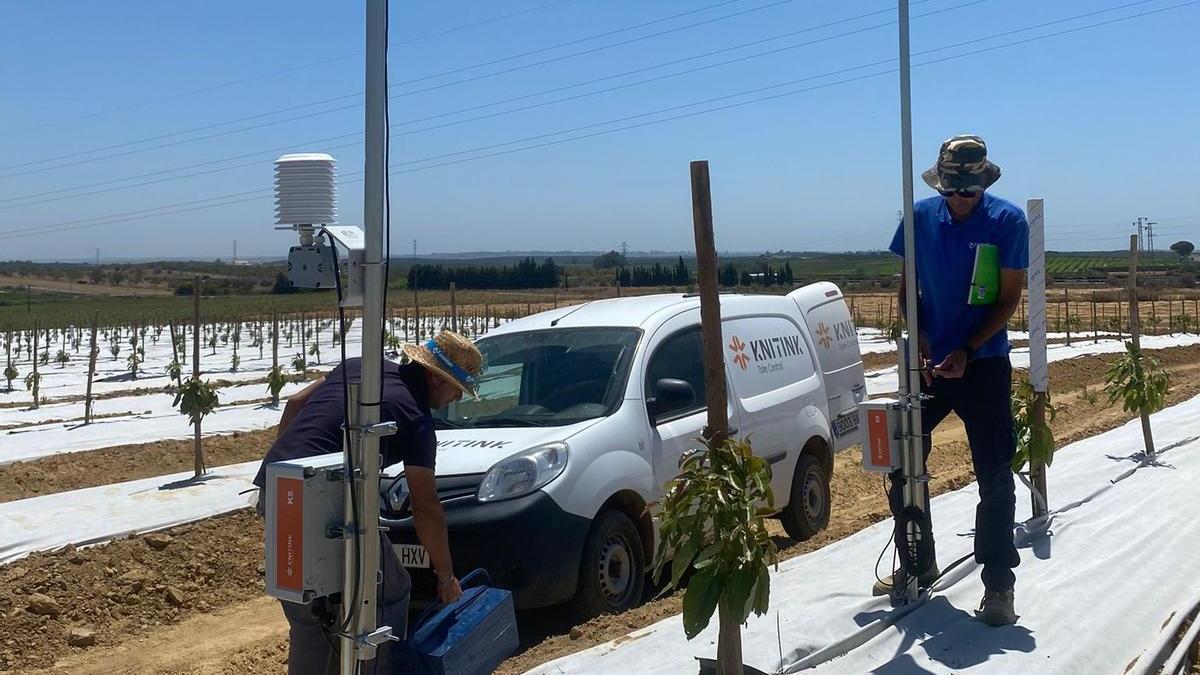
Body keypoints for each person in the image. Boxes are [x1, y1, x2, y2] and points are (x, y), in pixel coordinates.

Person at [253, 329, 484, 674]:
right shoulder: (416, 419)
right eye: (457, 388)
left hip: (279, 487)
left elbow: (296, 403)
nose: (457, 398)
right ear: (436, 378)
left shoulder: (361, 365)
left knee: (310, 611)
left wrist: (284, 470)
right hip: (322, 504)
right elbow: (426, 508)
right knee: (389, 590)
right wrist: (446, 575)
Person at [876, 134, 1027, 627]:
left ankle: (999, 586)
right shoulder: (918, 217)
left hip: (983, 365)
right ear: (940, 185)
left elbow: (1008, 299)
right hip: (928, 364)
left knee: (994, 475)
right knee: (901, 459)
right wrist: (918, 336)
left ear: (984, 182)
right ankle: (918, 560)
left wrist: (967, 349)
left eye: (970, 189)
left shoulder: (1007, 221)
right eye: (952, 190)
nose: (961, 198)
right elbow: (907, 288)